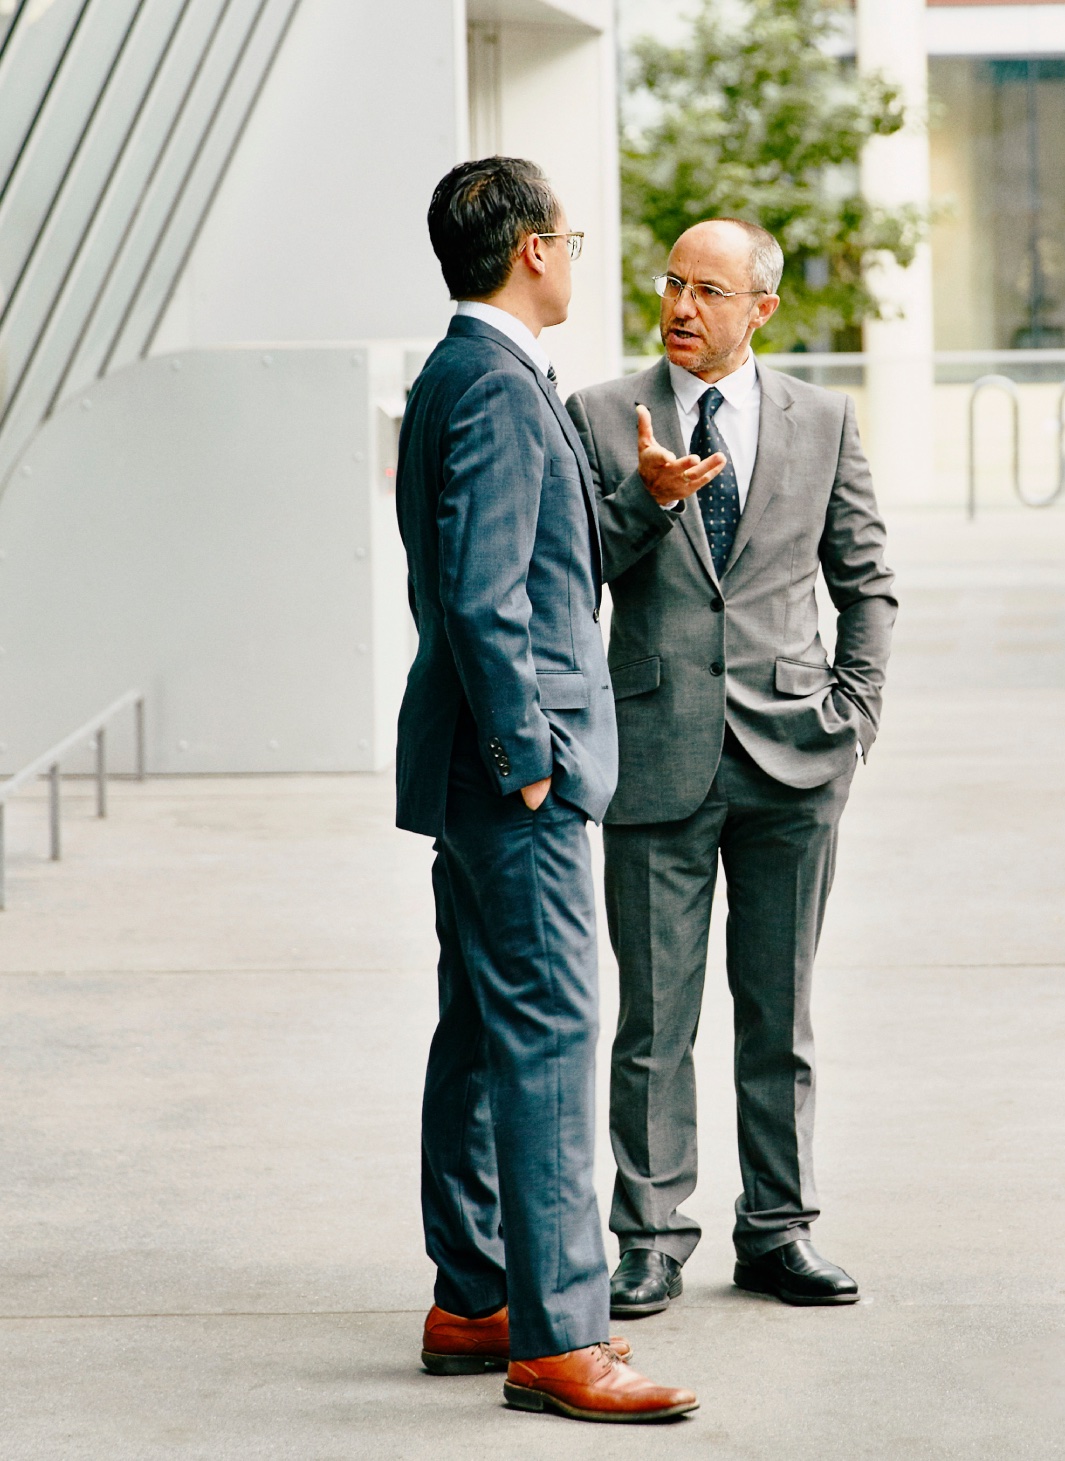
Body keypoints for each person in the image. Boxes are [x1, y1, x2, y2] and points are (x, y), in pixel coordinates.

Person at [394, 156, 696, 1422]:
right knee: (552, 1043)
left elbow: (537, 563)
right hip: (517, 778)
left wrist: (640, 502)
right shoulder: (497, 385)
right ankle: (561, 1337)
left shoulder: (466, 372)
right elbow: (483, 598)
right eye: (569, 239)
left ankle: (474, 1297)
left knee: (479, 1032)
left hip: (474, 774)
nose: (576, 257)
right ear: (529, 251)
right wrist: (532, 768)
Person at [566, 219, 897, 1317]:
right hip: (654, 754)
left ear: (761, 307)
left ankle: (778, 1230)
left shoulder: (822, 419)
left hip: (794, 758)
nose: (680, 306)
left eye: (708, 290)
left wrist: (854, 715)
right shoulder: (602, 415)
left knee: (777, 1014)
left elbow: (866, 580)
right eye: (672, 283)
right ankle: (650, 1239)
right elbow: (574, 570)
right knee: (653, 1023)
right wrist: (649, 498)